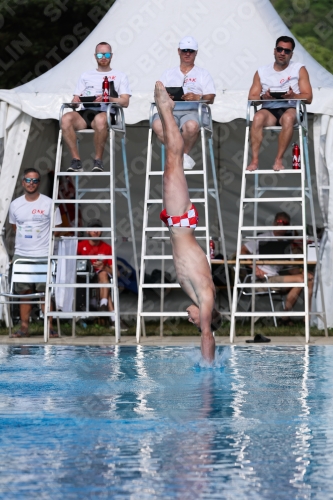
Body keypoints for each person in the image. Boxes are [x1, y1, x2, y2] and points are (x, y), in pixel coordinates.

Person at [155, 81, 221, 363]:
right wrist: (208, 373)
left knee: (173, 161)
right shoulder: (206, 300)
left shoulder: (200, 294)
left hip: (178, 222)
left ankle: (167, 114)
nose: (188, 315)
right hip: (181, 220)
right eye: (193, 320)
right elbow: (208, 336)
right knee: (173, 159)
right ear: (202, 319)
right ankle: (167, 111)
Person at [61, 42, 131, 173]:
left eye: (106, 54)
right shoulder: (86, 75)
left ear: (111, 56)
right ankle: (76, 160)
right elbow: (75, 99)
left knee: (100, 119)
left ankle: (98, 160)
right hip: (85, 112)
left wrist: (108, 98)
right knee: (65, 118)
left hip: (107, 112)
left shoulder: (120, 76)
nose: (103, 57)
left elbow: (125, 102)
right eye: (100, 54)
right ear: (95, 56)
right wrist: (75, 101)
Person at [8, 168, 62, 338]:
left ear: (39, 183)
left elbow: (57, 229)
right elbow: (15, 227)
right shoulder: (15, 204)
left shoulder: (49, 203)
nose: (31, 184)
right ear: (23, 182)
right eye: (28, 180)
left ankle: (49, 327)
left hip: (43, 254)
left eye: (35, 181)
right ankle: (24, 328)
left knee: (45, 292)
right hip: (22, 255)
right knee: (24, 292)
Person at [247, 36, 312, 171]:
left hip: (290, 108)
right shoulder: (262, 71)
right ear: (274, 50)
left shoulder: (299, 69)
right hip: (269, 110)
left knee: (288, 118)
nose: (282, 53)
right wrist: (263, 97)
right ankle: (254, 160)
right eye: (280, 49)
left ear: (291, 54)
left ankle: (279, 159)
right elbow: (251, 98)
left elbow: (309, 97)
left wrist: (293, 95)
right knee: (257, 117)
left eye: (286, 51)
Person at [153, 36, 216, 170]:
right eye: (184, 50)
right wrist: (166, 96)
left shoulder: (203, 74)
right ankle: (181, 157)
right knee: (157, 125)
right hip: (171, 111)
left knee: (192, 126)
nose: (187, 53)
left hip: (193, 111)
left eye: (191, 51)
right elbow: (157, 94)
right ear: (178, 51)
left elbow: (211, 97)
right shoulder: (168, 73)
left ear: (196, 53)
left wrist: (197, 97)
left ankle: (178, 157)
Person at [240, 211, 314, 325]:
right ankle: (285, 317)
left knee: (309, 279)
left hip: (276, 279)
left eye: (285, 223)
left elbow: (290, 268)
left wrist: (302, 271)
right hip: (262, 279)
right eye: (280, 222)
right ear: (274, 223)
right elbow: (242, 251)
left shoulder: (285, 243)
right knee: (301, 280)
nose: (282, 225)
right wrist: (255, 268)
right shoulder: (263, 238)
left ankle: (307, 318)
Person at [77, 219, 127, 331]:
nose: (95, 231)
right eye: (93, 229)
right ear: (87, 231)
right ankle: (112, 317)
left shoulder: (107, 248)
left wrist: (103, 267)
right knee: (105, 285)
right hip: (83, 279)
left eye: (98, 229)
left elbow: (116, 274)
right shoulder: (79, 246)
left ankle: (104, 306)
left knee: (103, 274)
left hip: (100, 280)